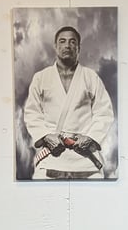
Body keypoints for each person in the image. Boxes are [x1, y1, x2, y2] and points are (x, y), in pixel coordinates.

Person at [23, 26, 115, 180]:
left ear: (78, 47)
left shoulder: (90, 77)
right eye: (62, 41)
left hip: (85, 160)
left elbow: (104, 113)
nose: (67, 45)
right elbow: (32, 113)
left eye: (72, 42)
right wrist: (46, 136)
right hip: (51, 158)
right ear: (55, 46)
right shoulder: (41, 78)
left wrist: (90, 137)